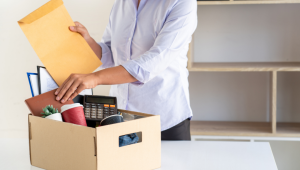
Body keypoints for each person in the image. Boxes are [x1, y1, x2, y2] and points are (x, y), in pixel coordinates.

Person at [55, 0, 198, 140]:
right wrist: (88, 41)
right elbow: (111, 55)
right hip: (122, 118)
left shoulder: (181, 2)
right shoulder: (121, 3)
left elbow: (153, 62)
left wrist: (95, 78)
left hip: (164, 119)